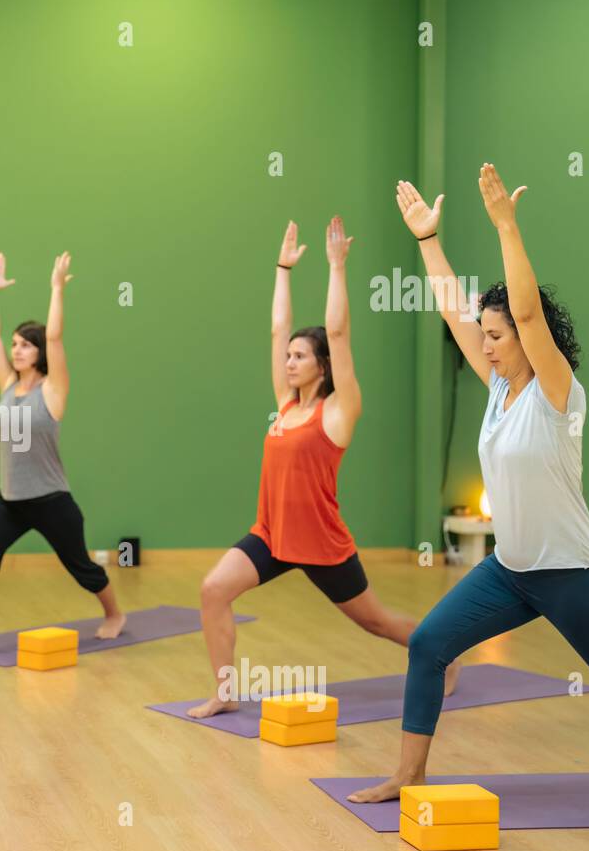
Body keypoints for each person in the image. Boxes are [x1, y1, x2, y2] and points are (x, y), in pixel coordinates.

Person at [349, 165, 589, 803]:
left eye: (497, 336)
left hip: (577, 578)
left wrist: (506, 226)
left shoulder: (558, 391)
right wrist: (427, 241)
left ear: (534, 342)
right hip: (511, 571)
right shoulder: (500, 386)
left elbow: (525, 311)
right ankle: (407, 775)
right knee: (427, 645)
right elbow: (454, 314)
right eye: (488, 335)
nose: (488, 345)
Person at [190, 218, 458, 718]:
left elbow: (337, 331)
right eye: (288, 355)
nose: (289, 362)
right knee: (212, 590)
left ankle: (444, 654)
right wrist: (283, 269)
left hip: (321, 544)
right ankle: (224, 692)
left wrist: (337, 267)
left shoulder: (338, 411)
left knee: (375, 622)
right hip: (271, 536)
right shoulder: (285, 406)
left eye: (299, 356)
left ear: (323, 365)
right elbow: (275, 328)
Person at [0, 252, 125, 657]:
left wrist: (57, 289)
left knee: (81, 567)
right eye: (15, 345)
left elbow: (58, 338)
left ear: (40, 352)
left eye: (26, 345)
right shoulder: (8, 386)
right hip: (9, 502)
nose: (17, 350)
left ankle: (115, 614)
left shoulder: (53, 391)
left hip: (50, 501)